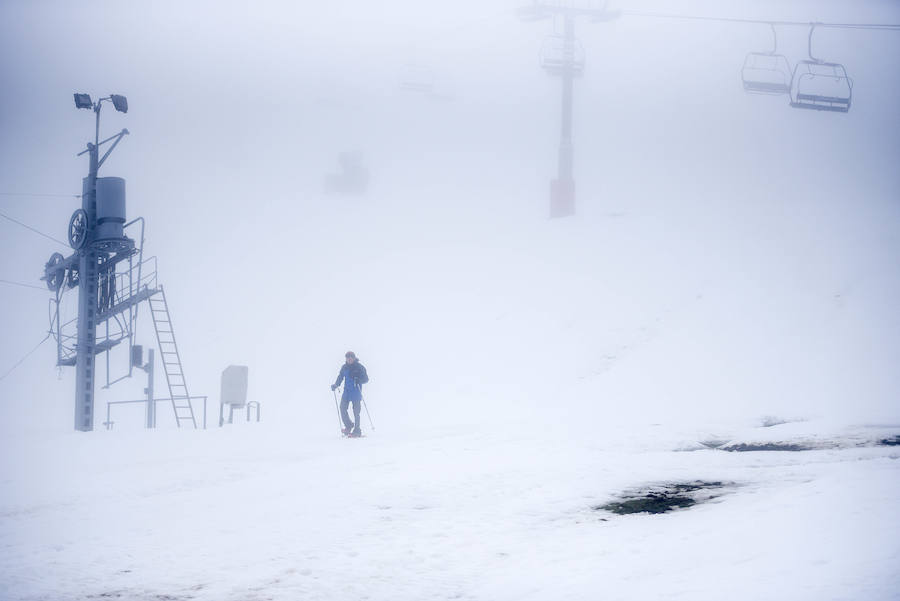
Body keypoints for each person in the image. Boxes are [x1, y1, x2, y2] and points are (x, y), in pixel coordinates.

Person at [331, 351, 369, 437]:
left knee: (356, 412)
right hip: (347, 392)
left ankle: (357, 430)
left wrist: (359, 380)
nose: (349, 358)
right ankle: (348, 425)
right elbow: (340, 377)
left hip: (356, 392)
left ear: (354, 358)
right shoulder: (344, 367)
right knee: (342, 408)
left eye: (351, 357)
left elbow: (366, 379)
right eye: (348, 357)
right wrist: (336, 385)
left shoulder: (359, 367)